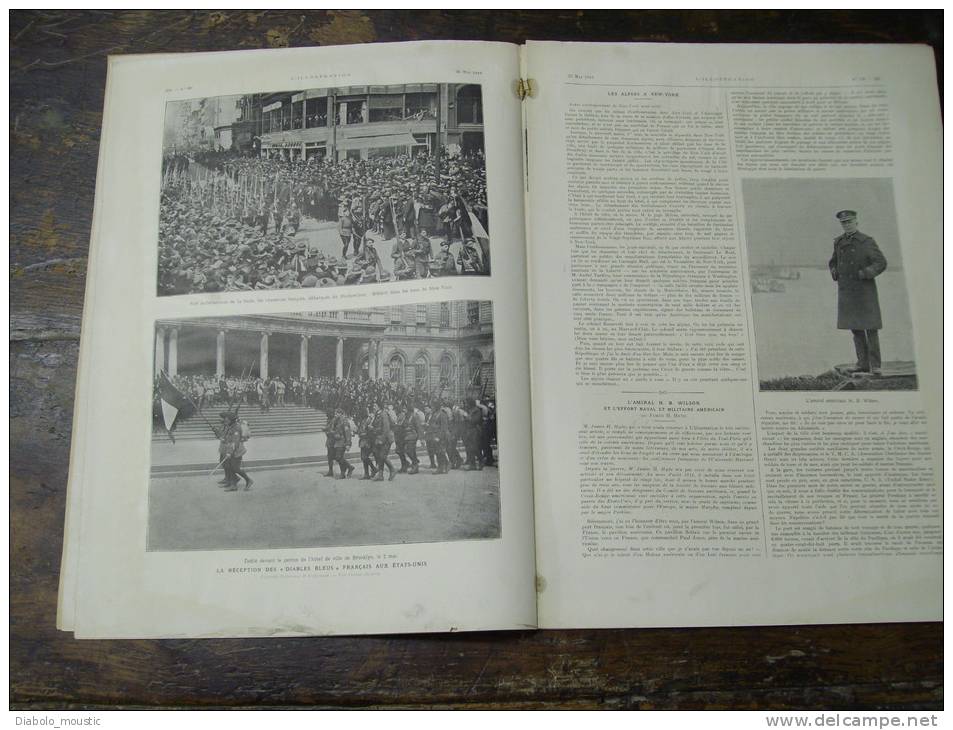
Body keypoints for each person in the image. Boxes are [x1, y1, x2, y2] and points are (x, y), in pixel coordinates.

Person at [828, 210, 887, 376]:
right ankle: (862, 363)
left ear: (856, 222)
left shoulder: (866, 241)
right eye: (844, 223)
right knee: (856, 328)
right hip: (848, 292)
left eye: (849, 222)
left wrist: (865, 273)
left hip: (865, 291)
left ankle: (875, 366)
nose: (847, 225)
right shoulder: (839, 242)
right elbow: (833, 261)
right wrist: (835, 271)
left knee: (871, 328)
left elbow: (881, 262)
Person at [219, 411, 253, 491]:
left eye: (227, 419)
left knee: (235, 468)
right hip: (230, 449)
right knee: (229, 466)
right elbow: (228, 438)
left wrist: (229, 453)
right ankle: (233, 484)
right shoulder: (230, 426)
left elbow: (235, 442)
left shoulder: (236, 428)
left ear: (231, 420)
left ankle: (248, 480)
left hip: (237, 451)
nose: (225, 421)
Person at [370, 402, 396, 481]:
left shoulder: (383, 414)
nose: (373, 407)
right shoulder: (377, 415)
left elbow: (386, 428)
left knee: (382, 456)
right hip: (379, 438)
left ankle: (392, 469)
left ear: (379, 407)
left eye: (375, 406)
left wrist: (382, 439)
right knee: (379, 457)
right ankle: (380, 475)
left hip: (385, 438)